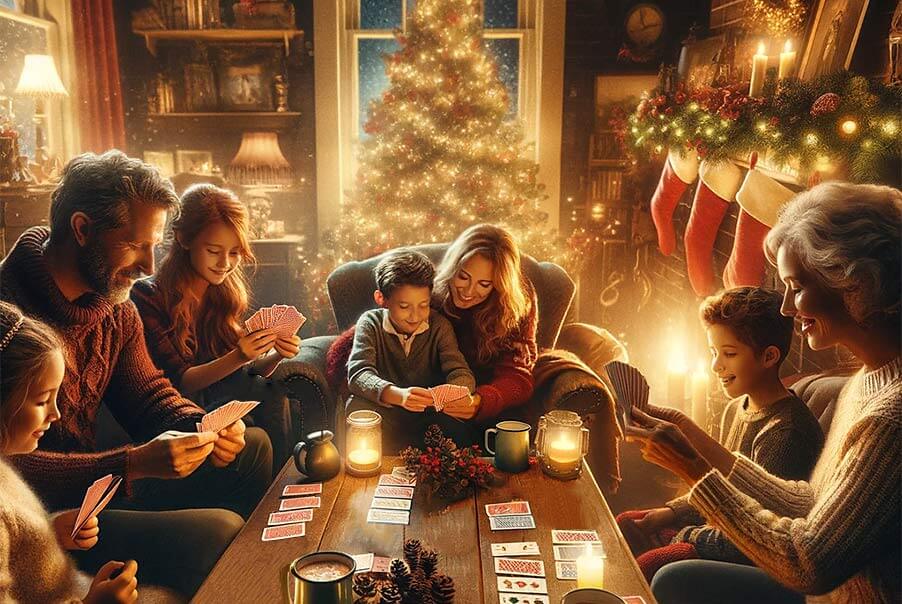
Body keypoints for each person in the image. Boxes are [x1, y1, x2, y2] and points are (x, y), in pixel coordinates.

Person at [0, 150, 271, 596]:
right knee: (220, 530)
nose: (148, 266)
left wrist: (200, 427)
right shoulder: (9, 322)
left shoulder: (115, 308)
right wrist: (131, 465)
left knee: (252, 447)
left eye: (155, 246)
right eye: (134, 245)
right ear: (83, 229)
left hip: (100, 484)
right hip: (39, 514)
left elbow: (148, 395)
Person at [626, 182, 900, 603]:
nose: (788, 308)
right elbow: (811, 501)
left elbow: (808, 561)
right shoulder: (866, 379)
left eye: (797, 286)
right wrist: (690, 437)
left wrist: (695, 471)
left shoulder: (890, 419)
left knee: (665, 579)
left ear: (855, 283)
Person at [617, 287, 824, 581]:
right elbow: (717, 486)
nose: (716, 365)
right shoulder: (736, 408)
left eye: (729, 354)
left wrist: (685, 536)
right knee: (627, 524)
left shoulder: (786, 433)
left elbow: (760, 534)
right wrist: (670, 513)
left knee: (651, 564)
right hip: (715, 528)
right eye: (714, 352)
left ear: (769, 357)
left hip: (751, 553)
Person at [132, 184, 300, 464]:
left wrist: (276, 354)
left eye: (234, 253)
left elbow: (243, 374)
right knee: (253, 422)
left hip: (220, 396)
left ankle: (284, 490)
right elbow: (180, 381)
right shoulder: (148, 296)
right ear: (184, 239)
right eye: (214, 250)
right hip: (179, 409)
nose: (225, 263)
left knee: (271, 392)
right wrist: (239, 355)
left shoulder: (223, 291)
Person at [0, 302, 139, 603]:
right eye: (42, 401)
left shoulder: (4, 466)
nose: (56, 414)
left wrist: (50, 532)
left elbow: (14, 546)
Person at [346, 250, 476, 452]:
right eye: (404, 306)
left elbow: (462, 375)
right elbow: (358, 375)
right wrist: (399, 396)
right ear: (382, 298)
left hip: (428, 415)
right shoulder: (370, 322)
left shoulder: (439, 326)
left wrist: (437, 396)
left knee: (455, 427)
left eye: (423, 305)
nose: (415, 316)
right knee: (358, 410)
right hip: (386, 412)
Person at [431, 224, 539, 424]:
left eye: (484, 284)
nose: (468, 291)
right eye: (463, 277)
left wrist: (480, 402)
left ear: (499, 284)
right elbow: (382, 325)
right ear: (451, 268)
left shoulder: (517, 303)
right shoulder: (430, 290)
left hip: (488, 402)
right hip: (430, 395)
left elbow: (518, 377)